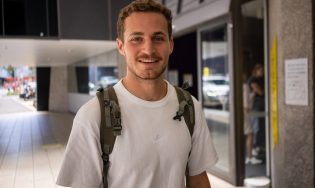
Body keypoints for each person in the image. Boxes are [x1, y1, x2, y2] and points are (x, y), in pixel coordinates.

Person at [56, 0, 218, 188]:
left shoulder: (190, 107)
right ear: (121, 46)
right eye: (136, 38)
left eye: (158, 38)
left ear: (170, 44)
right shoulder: (94, 115)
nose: (148, 50)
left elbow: (198, 181)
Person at [243, 74, 262, 165]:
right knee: (250, 134)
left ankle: (248, 156)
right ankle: (250, 157)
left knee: (247, 134)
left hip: (240, 113)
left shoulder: (237, 86)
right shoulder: (245, 86)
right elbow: (246, 104)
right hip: (245, 113)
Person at [248, 64, 265, 157]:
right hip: (255, 107)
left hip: (261, 107)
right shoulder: (252, 80)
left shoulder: (262, 79)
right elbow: (260, 92)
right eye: (261, 70)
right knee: (256, 127)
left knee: (260, 127)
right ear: (256, 70)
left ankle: (258, 145)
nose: (262, 72)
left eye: (263, 70)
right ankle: (254, 147)